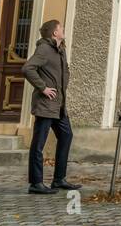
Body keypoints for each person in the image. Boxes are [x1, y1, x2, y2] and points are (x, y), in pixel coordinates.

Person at [21, 20, 81, 194]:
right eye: (61, 27)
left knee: (66, 136)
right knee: (38, 143)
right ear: (54, 32)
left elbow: (65, 71)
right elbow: (27, 68)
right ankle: (36, 183)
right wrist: (43, 88)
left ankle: (59, 179)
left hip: (59, 105)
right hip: (46, 105)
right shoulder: (44, 49)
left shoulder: (60, 49)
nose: (63, 29)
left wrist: (64, 85)